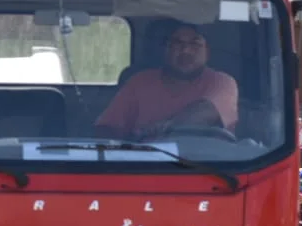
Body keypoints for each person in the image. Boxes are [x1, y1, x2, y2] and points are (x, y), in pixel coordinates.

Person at [93, 22, 238, 140]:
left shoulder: (222, 82)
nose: (185, 51)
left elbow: (206, 112)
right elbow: (106, 128)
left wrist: (162, 129)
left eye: (195, 44)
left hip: (209, 168)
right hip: (144, 167)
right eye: (177, 43)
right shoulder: (140, 81)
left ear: (207, 51)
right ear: (165, 50)